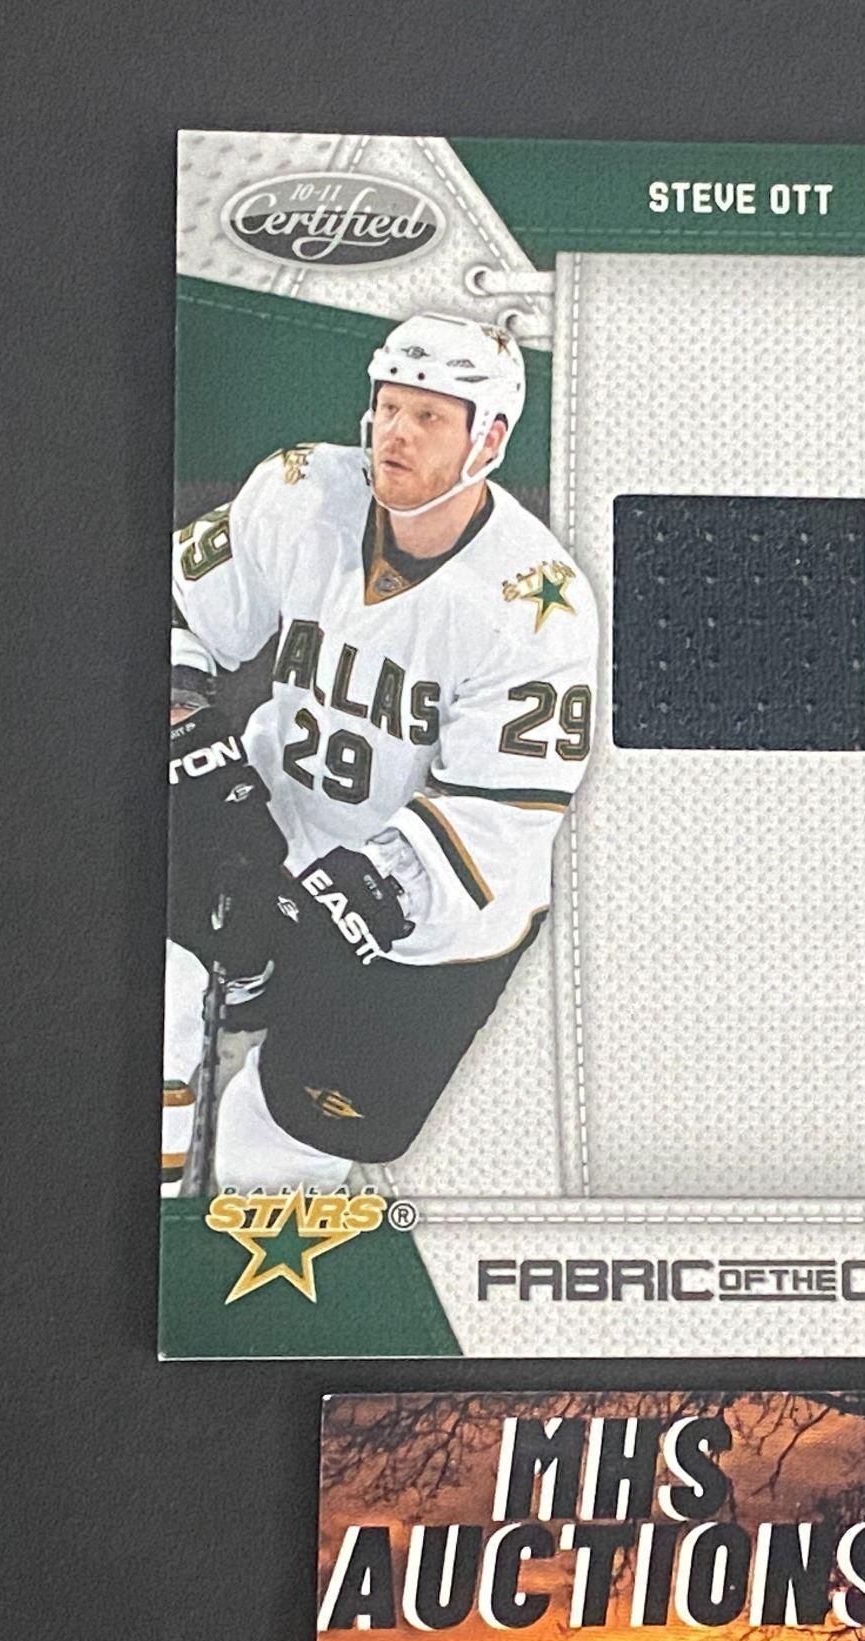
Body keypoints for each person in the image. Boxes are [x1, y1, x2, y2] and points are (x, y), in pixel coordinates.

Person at [165, 314, 598, 1191]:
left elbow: (500, 815)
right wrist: (186, 728)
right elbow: (177, 607)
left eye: (429, 416)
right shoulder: (300, 493)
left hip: (435, 924)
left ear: (489, 440)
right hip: (275, 818)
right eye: (389, 406)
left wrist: (317, 914)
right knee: (161, 999)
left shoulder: (534, 608)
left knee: (278, 1146)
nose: (395, 433)